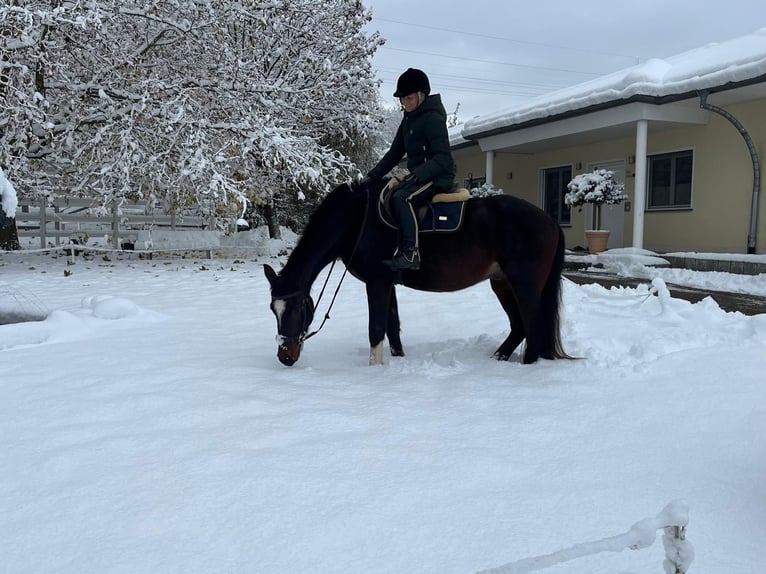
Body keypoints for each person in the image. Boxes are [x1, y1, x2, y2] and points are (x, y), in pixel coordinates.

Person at [367, 68, 456, 270]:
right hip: (421, 176)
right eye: (402, 99)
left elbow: (443, 158)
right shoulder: (408, 120)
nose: (405, 103)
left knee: (401, 197)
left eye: (409, 98)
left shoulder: (433, 118)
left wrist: (417, 174)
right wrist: (372, 176)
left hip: (438, 176)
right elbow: (394, 153)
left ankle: (410, 253)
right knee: (388, 192)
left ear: (421, 95)